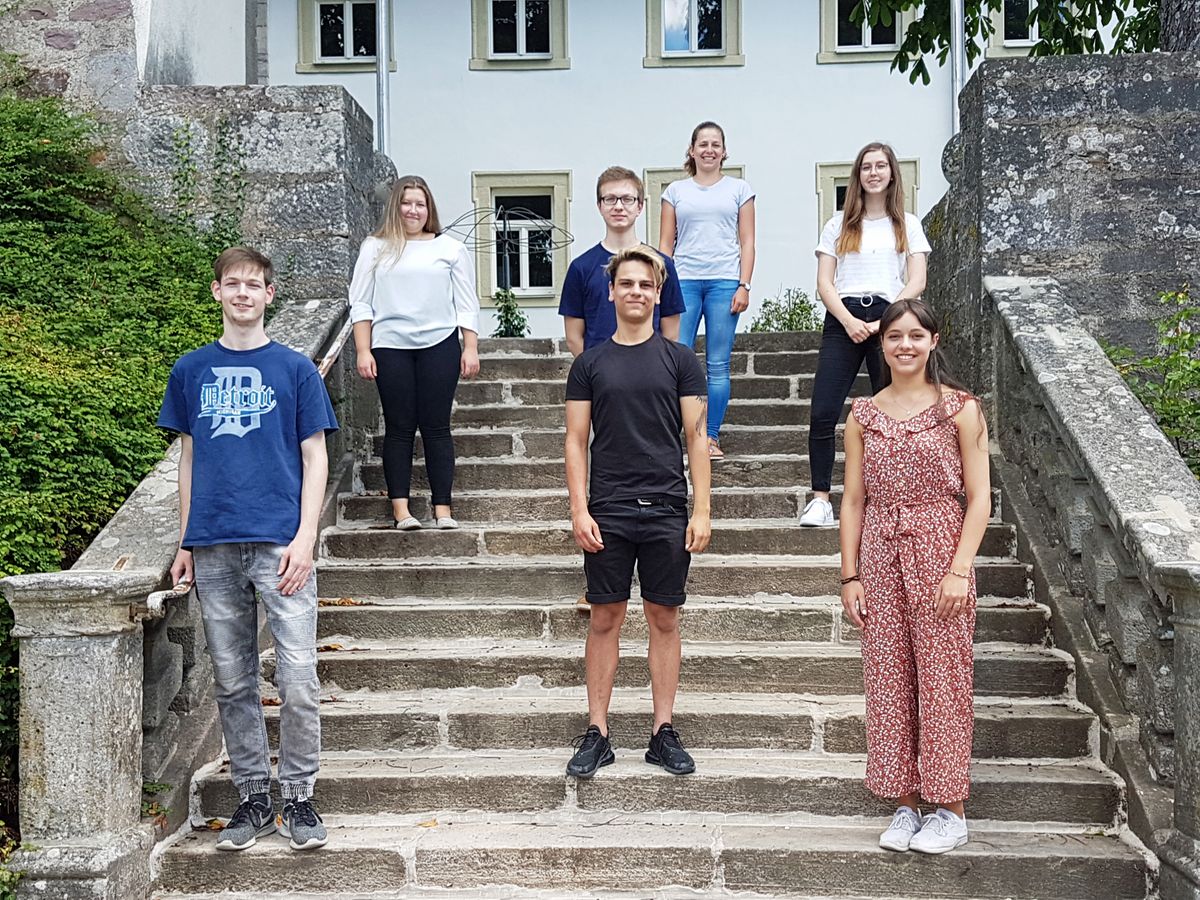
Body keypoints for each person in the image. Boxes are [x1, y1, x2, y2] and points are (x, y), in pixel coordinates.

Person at [159, 246, 339, 852]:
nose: (242, 293)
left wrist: (306, 538)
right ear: (217, 292)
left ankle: (299, 797)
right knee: (233, 681)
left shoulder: (294, 370)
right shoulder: (190, 370)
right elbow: (188, 458)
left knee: (297, 677)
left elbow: (316, 457)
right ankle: (253, 799)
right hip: (213, 544)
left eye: (253, 285)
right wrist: (185, 541)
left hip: (279, 543)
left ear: (269, 295)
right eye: (231, 284)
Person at [838, 297, 990, 855]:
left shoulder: (961, 409)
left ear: (933, 341)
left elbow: (980, 500)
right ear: (882, 343)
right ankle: (904, 800)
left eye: (915, 336)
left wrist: (959, 569)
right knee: (888, 677)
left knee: (943, 677)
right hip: (879, 554)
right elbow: (853, 500)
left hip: (939, 547)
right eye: (895, 336)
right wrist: (849, 576)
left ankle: (949, 808)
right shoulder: (863, 415)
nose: (905, 345)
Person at [563, 245, 711, 778]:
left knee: (663, 617)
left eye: (645, 285)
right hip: (608, 507)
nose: (635, 292)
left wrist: (702, 509)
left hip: (668, 506)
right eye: (626, 283)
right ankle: (598, 732)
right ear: (611, 291)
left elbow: (696, 438)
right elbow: (576, 441)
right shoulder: (590, 364)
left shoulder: (680, 360)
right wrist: (579, 508)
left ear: (656, 293)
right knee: (605, 616)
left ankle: (662, 731)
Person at [801, 142, 931, 527]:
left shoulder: (907, 223)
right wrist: (848, 320)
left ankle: (891, 494)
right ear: (858, 175)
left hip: (891, 320)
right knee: (824, 410)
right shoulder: (838, 224)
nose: (873, 173)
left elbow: (917, 279)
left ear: (892, 173)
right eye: (866, 167)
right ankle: (821, 499)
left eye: (881, 166)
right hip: (844, 318)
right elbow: (825, 282)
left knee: (893, 411)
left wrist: (884, 322)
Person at [349, 175, 481, 530]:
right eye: (407, 203)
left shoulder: (449, 248)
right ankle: (401, 511)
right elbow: (360, 303)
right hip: (391, 346)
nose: (413, 210)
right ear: (396, 206)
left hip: (439, 345)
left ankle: (443, 509)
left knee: (437, 427)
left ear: (429, 209)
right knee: (399, 428)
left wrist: (470, 346)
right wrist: (364, 349)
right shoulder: (375, 247)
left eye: (420, 204)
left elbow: (466, 303)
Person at [658, 121, 755, 460]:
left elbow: (748, 241)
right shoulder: (674, 192)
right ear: (692, 150)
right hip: (682, 281)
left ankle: (709, 437)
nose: (709, 149)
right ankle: (674, 436)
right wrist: (661, 285)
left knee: (717, 364)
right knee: (674, 360)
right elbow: (665, 245)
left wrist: (744, 284)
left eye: (716, 144)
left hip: (724, 281)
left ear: (724, 151)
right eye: (703, 144)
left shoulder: (739, 189)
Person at [560, 166, 686, 356]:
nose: (618, 206)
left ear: (640, 206)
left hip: (651, 370)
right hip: (600, 376)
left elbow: (671, 333)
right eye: (610, 199)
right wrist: (594, 372)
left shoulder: (662, 265)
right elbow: (573, 337)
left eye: (627, 199)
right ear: (599, 206)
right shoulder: (580, 268)